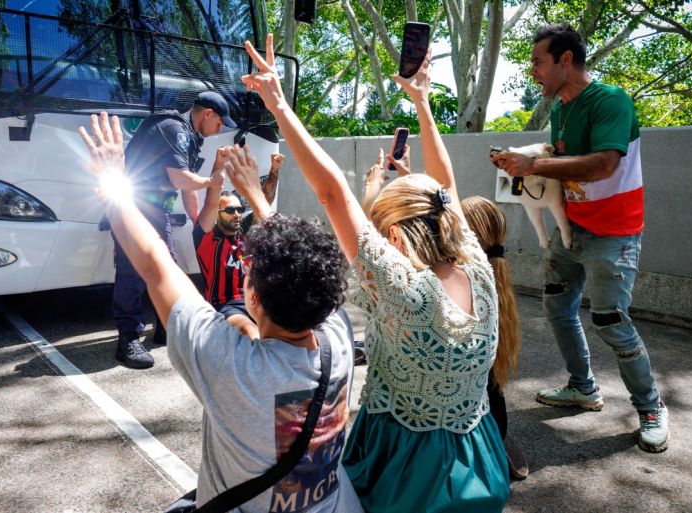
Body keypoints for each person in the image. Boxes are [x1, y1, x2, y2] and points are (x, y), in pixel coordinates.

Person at [242, 34, 509, 512]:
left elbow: (331, 193)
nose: (380, 242)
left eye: (383, 232)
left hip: (405, 463)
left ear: (398, 236)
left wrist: (279, 103)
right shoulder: (478, 265)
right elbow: (444, 185)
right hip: (477, 456)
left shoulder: (401, 287)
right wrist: (422, 102)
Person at [79, 113, 363, 511]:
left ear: (255, 299)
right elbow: (301, 260)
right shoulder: (340, 339)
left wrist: (113, 182)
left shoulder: (229, 364)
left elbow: (153, 261)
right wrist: (257, 197)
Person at [491, 23, 669, 453]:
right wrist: (530, 159)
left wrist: (531, 167)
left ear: (565, 60)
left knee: (610, 320)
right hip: (572, 230)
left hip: (614, 233)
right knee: (557, 304)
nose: (532, 70)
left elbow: (603, 165)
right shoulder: (560, 110)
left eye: (538, 61)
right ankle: (582, 387)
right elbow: (562, 163)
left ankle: (650, 407)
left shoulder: (610, 100)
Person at [112, 91, 235, 369]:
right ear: (207, 113)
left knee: (166, 266)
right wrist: (212, 182)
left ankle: (165, 328)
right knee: (132, 269)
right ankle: (128, 338)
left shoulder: (191, 137)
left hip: (154, 207)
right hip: (132, 204)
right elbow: (180, 178)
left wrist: (198, 227)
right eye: (219, 122)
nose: (220, 128)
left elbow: (187, 187)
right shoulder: (174, 129)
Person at [461, 196, 528, 480]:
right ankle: (498, 439)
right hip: (491, 399)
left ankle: (490, 444)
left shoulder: (463, 278)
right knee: (492, 387)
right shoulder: (496, 269)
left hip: (466, 408)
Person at [193, 147, 276, 338]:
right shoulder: (207, 238)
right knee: (250, 331)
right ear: (218, 215)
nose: (237, 214)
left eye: (239, 209)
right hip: (225, 305)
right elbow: (211, 203)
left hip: (255, 302)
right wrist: (219, 164)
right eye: (230, 211)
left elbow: (264, 201)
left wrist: (275, 169)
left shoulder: (244, 234)